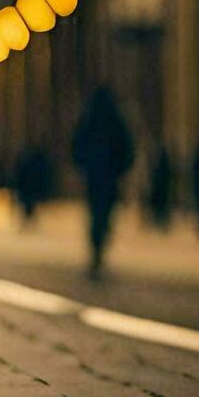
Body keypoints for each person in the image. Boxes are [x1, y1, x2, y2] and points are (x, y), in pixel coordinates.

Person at [71, 87, 134, 276]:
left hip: (94, 175)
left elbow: (77, 144)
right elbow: (126, 147)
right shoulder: (115, 119)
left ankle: (96, 247)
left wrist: (81, 165)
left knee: (95, 212)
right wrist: (122, 169)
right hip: (109, 177)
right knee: (105, 213)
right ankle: (100, 245)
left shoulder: (89, 118)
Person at [13, 146, 53, 226]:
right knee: (28, 201)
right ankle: (28, 217)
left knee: (29, 201)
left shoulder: (28, 159)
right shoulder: (34, 159)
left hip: (29, 187)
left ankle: (29, 217)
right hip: (29, 187)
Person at [146, 148, 173, 231]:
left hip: (161, 186)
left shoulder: (159, 156)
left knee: (160, 203)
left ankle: (160, 221)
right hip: (159, 186)